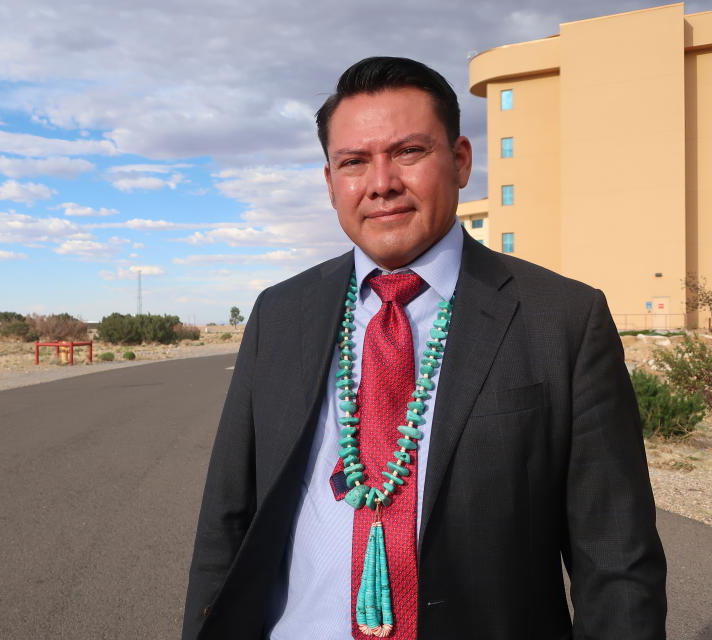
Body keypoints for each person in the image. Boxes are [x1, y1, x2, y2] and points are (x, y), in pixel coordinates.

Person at [183, 57, 666, 640]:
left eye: (408, 152)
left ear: (460, 161)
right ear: (331, 182)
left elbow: (615, 559)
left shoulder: (562, 318)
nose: (381, 182)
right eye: (354, 162)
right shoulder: (280, 314)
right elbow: (226, 524)